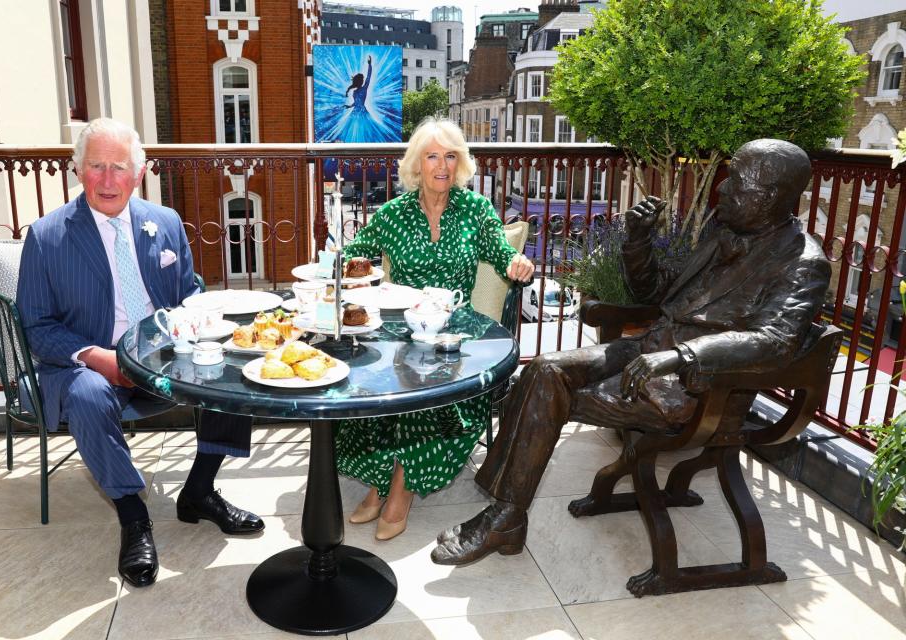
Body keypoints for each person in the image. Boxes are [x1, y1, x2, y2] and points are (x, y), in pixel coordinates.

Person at [431, 138, 832, 565]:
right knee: (543, 369)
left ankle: (505, 518)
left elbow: (775, 342)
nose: (722, 190)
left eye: (735, 181)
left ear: (770, 196)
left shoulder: (804, 262)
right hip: (648, 352)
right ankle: (506, 513)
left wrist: (685, 356)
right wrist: (638, 242)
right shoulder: (723, 232)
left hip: (697, 389)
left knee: (542, 396)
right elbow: (658, 292)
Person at [17, 118, 264, 588]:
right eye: (96, 167)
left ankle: (198, 491)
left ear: (139, 172)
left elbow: (190, 291)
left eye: (119, 168)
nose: (107, 180)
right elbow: (37, 326)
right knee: (89, 395)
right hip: (89, 364)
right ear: (77, 169)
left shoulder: (165, 223)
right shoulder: (48, 237)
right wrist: (96, 356)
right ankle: (134, 519)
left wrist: (203, 323)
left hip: (163, 357)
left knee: (233, 364)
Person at [337, 117, 535, 540]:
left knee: (425, 395)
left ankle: (400, 491)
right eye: (432, 156)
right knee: (373, 386)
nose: (442, 165)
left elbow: (502, 255)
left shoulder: (475, 210)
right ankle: (378, 482)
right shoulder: (393, 214)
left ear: (460, 164)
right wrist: (341, 266)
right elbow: (355, 257)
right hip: (398, 332)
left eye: (450, 156)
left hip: (453, 336)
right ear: (417, 165)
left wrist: (517, 263)